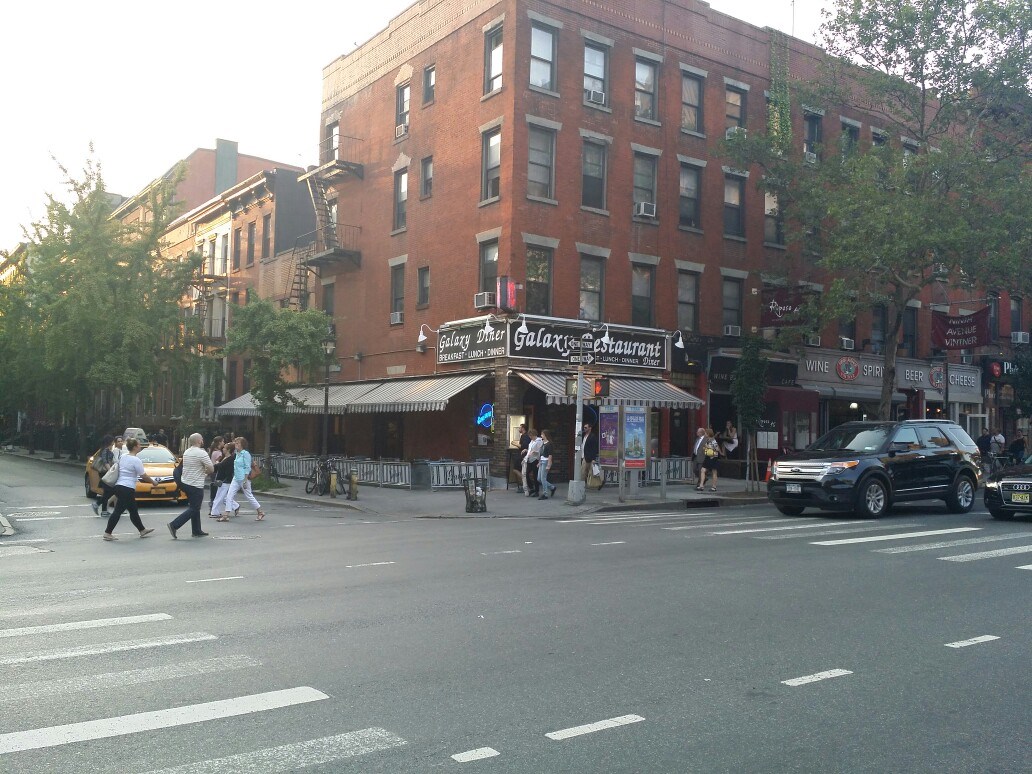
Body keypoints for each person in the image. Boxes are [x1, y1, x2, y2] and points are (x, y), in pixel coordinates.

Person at [103, 438, 156, 541]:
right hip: (127, 488)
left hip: (120, 486)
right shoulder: (136, 460)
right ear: (135, 447)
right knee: (118, 511)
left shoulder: (123, 456)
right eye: (139, 445)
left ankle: (142, 530)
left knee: (133, 510)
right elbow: (143, 475)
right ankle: (107, 533)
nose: (140, 446)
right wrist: (153, 482)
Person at [168, 433, 214, 539]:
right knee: (194, 508)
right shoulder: (201, 453)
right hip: (196, 484)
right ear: (199, 441)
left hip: (185, 483)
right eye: (202, 439)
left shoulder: (187, 452)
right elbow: (211, 468)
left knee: (194, 506)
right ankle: (174, 525)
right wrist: (205, 472)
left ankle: (196, 530)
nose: (203, 440)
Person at [221, 436, 266, 521]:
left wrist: (245, 479)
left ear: (242, 445)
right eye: (235, 443)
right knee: (229, 495)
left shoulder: (245, 454)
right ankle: (225, 515)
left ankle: (260, 512)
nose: (236, 444)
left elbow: (247, 467)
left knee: (249, 496)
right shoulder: (237, 453)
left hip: (243, 478)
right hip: (236, 478)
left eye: (238, 443)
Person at [209, 440, 238, 520]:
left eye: (225, 448)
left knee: (219, 497)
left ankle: (215, 512)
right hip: (221, 480)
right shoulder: (224, 457)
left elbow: (228, 471)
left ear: (228, 450)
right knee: (223, 496)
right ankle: (236, 506)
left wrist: (218, 465)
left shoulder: (231, 459)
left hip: (225, 480)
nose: (223, 449)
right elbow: (219, 466)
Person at [91, 435, 116, 516]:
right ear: (109, 441)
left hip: (105, 472)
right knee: (111, 490)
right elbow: (105, 462)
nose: (113, 442)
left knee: (106, 492)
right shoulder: (105, 450)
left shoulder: (107, 450)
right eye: (112, 441)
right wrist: (110, 471)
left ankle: (104, 511)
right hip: (105, 472)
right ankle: (97, 504)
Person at [696, 428, 721, 492]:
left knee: (714, 472)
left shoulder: (713, 440)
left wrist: (709, 447)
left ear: (708, 434)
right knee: (703, 470)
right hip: (708, 457)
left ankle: (714, 487)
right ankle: (701, 485)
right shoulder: (707, 440)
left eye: (706, 433)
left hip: (713, 457)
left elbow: (717, 449)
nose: (705, 434)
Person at [537, 429, 557, 500]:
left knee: (543, 478)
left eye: (542, 434)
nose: (541, 435)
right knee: (539, 478)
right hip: (542, 461)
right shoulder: (543, 443)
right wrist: (539, 462)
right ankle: (552, 487)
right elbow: (541, 454)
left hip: (546, 461)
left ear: (545, 435)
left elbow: (550, 455)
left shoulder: (549, 444)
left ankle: (545, 494)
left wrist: (549, 464)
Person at [524, 429, 542, 497]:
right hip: (530, 459)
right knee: (527, 474)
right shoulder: (531, 441)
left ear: (534, 435)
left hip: (535, 459)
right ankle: (532, 488)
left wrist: (535, 452)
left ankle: (536, 491)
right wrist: (526, 450)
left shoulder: (539, 441)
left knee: (535, 476)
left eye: (531, 435)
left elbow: (540, 451)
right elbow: (530, 449)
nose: (530, 437)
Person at [514, 423, 529, 494]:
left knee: (516, 469)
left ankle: (525, 485)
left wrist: (515, 444)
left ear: (523, 428)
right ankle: (524, 485)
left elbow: (524, 446)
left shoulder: (525, 436)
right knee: (518, 470)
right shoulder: (523, 436)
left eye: (520, 428)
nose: (519, 429)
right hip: (521, 455)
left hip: (523, 455)